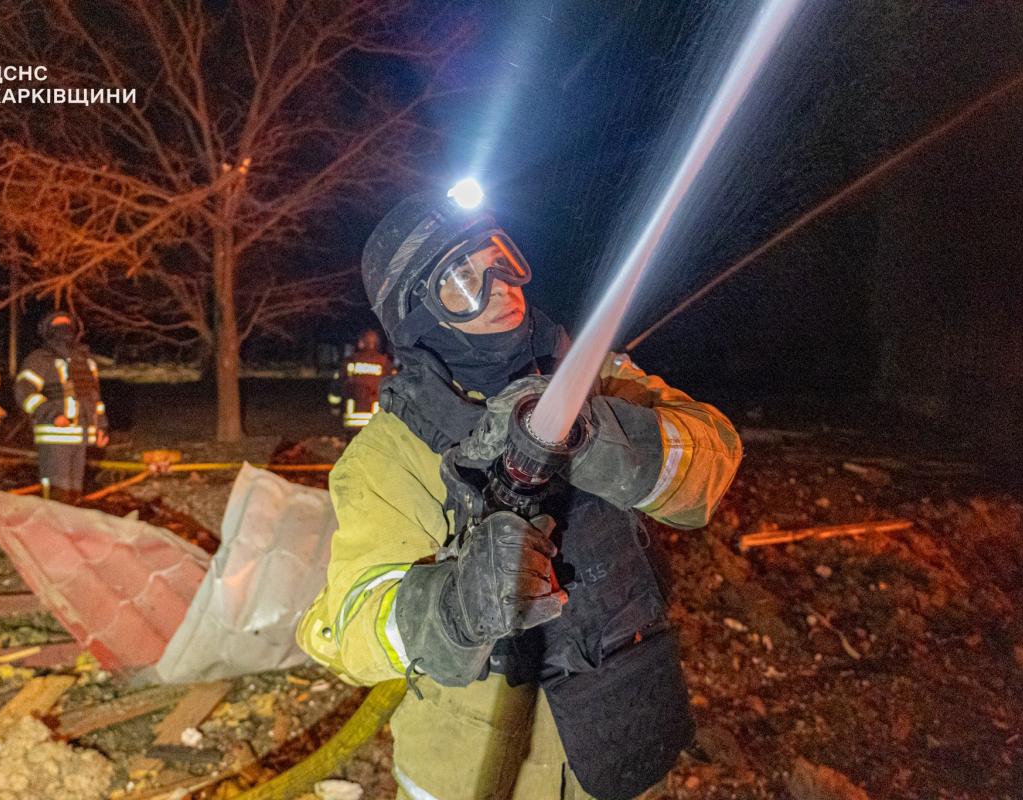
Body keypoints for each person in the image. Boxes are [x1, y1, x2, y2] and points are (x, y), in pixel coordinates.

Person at [296, 189, 742, 800]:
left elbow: (710, 462)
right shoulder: (389, 453)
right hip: (470, 770)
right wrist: (451, 609)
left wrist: (598, 439)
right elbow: (346, 626)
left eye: (501, 257)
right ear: (416, 316)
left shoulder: (596, 381)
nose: (500, 286)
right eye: (462, 279)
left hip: (620, 734)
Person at [14, 311, 108, 502]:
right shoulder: (39, 360)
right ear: (48, 330)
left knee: (74, 494)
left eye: (67, 324)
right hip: (54, 437)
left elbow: (94, 399)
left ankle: (71, 531)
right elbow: (24, 392)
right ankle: (50, 531)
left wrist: (101, 427)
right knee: (57, 494)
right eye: (58, 325)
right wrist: (51, 414)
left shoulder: (86, 362)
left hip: (80, 437)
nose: (64, 329)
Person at [328, 328, 395, 431]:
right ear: (377, 344)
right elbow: (394, 391)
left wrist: (335, 406)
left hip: (352, 420)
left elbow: (337, 386)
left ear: (361, 343)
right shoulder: (385, 364)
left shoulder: (350, 362)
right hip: (376, 421)